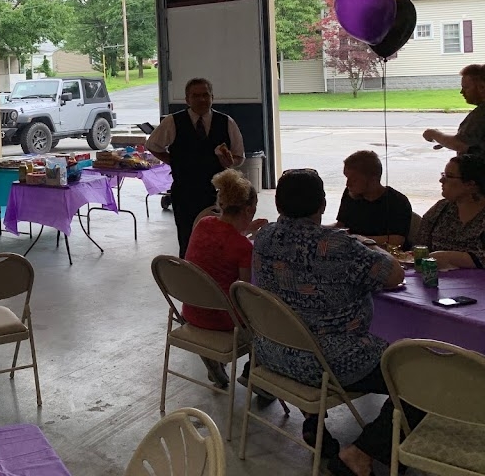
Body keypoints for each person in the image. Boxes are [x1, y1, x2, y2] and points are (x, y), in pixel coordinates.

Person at [251, 168, 415, 476]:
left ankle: (315, 423)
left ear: (278, 205)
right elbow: (394, 275)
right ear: (322, 204)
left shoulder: (264, 237)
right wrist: (369, 245)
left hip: (273, 352)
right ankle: (361, 453)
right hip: (329, 362)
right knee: (421, 377)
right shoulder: (340, 247)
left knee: (304, 324)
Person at [182, 168, 268, 389]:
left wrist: (245, 229)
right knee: (267, 318)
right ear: (249, 209)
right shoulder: (243, 248)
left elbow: (223, 236)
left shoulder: (204, 224)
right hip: (222, 321)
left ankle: (213, 359)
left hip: (191, 312)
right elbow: (244, 294)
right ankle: (257, 376)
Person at [146, 77, 245, 257]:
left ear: (212, 97)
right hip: (185, 192)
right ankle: (189, 277)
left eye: (205, 95)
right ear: (187, 99)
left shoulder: (226, 122)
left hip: (218, 194)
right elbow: (152, 145)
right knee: (187, 240)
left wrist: (230, 162)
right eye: (196, 95)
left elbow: (239, 156)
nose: (201, 99)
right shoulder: (172, 121)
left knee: (219, 241)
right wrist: (172, 161)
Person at [422, 64, 485, 206]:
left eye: (466, 87)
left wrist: (434, 134)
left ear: (482, 87)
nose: (462, 92)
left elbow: (459, 143)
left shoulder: (483, 113)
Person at [412, 154, 485, 276]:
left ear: (470, 184)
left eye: (449, 176)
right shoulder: (441, 209)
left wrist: (448, 257)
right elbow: (420, 248)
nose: (441, 180)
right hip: (438, 281)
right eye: (443, 175)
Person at [334, 150, 413, 247]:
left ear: (373, 179)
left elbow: (397, 240)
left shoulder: (397, 201)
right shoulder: (350, 194)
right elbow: (341, 226)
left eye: (354, 179)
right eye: (346, 178)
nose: (348, 184)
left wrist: (357, 239)